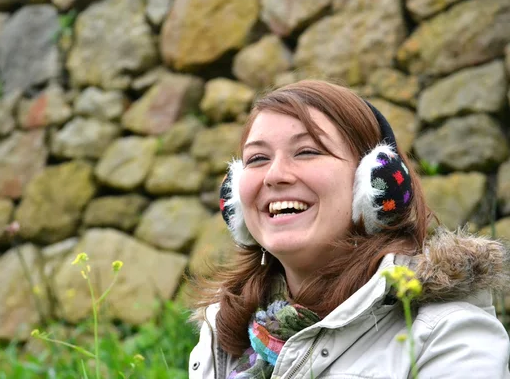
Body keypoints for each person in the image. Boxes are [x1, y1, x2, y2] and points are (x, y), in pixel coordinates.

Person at [188, 80, 510, 379]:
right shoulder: (222, 336)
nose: (274, 175)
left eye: (307, 151)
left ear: (373, 184)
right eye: (258, 158)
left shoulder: (449, 336)